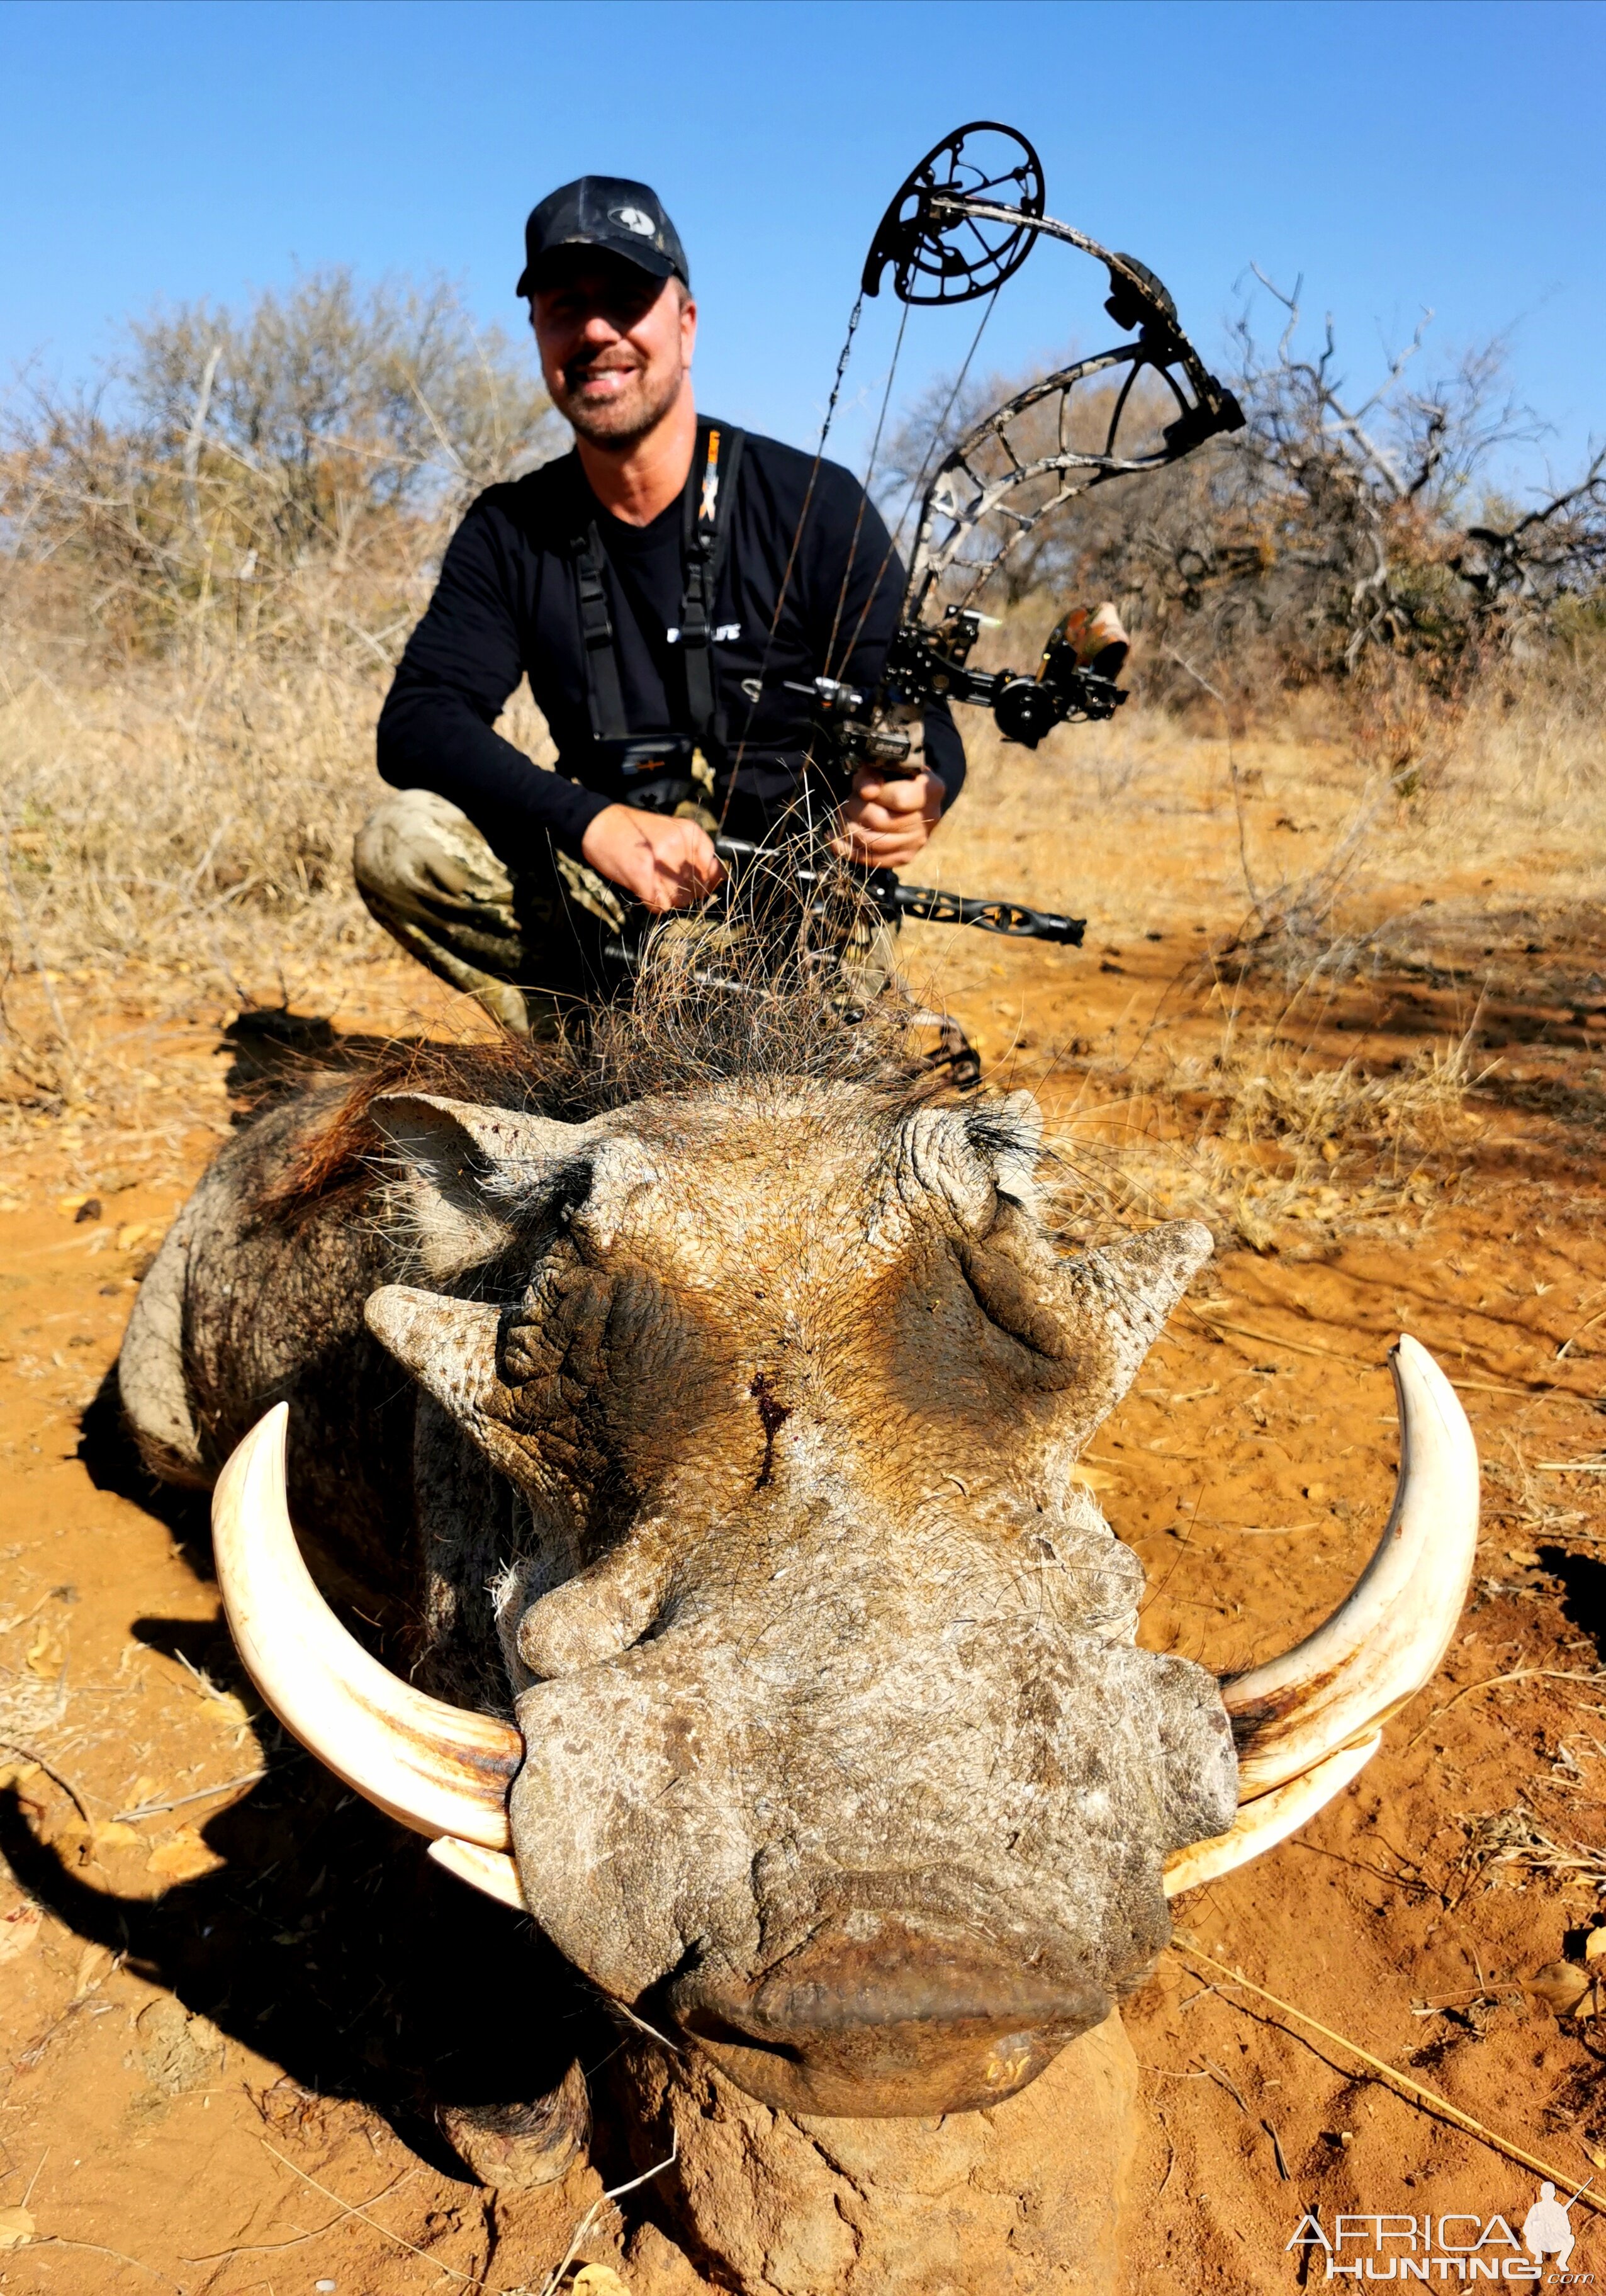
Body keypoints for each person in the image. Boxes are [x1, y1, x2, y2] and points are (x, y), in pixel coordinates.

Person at [356, 173, 966, 1035]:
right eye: (566, 306)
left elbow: (917, 713)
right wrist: (592, 821)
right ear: (537, 333)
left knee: (840, 1089)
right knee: (403, 840)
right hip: (614, 894)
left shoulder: (815, 502)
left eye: (628, 301)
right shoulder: (509, 527)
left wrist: (918, 790)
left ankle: (688, 1050)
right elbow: (418, 723)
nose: (597, 331)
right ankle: (594, 1050)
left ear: (686, 323)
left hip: (796, 914)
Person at [1522, 2181, 1578, 2275]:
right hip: (1537, 2242)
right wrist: (1538, 2228)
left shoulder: (1559, 2208)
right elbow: (1526, 2228)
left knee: (1570, 2239)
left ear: (1554, 2194)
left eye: (1550, 2192)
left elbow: (1567, 2229)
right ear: (1542, 2193)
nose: (1547, 2194)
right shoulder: (1536, 2208)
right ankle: (1538, 2256)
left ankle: (1561, 2261)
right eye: (1545, 2192)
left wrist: (1556, 2227)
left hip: (1553, 2241)